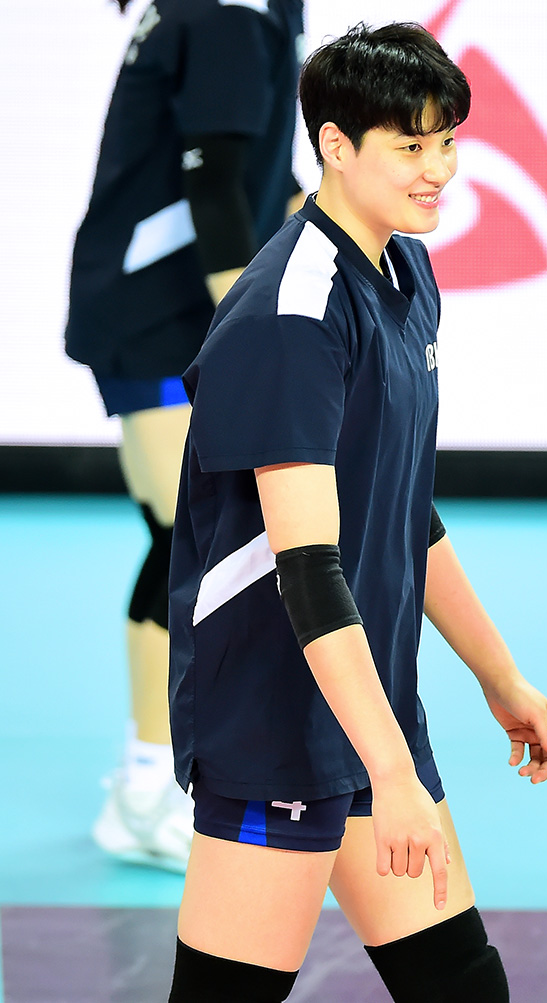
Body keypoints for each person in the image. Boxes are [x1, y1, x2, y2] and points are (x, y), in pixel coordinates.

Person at [167, 22, 547, 1002]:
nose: (439, 170)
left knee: (459, 985)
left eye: (447, 142)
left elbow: (402, 512)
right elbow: (306, 569)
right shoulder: (291, 315)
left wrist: (499, 676)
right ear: (336, 145)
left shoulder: (403, 269)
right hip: (273, 718)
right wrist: (391, 775)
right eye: (411, 145)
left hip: (366, 705)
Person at [63, 0, 305, 871]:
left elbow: (263, 169)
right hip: (159, 315)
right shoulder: (227, 13)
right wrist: (252, 333)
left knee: (184, 543)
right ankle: (145, 788)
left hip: (162, 307)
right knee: (183, 544)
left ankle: (157, 779)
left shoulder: (262, 10)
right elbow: (213, 182)